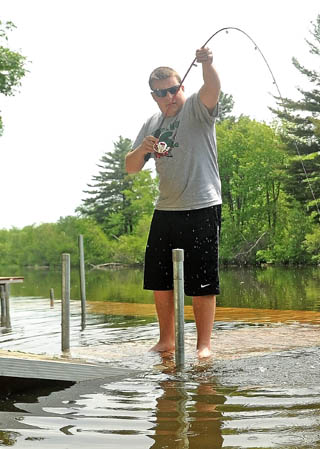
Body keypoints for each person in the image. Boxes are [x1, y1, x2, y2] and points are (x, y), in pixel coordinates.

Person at [125, 47, 221, 359]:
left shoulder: (196, 107)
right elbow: (130, 166)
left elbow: (212, 88)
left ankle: (203, 345)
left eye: (173, 89)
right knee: (159, 279)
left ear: (182, 87)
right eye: (161, 92)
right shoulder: (152, 123)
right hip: (165, 209)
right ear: (153, 95)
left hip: (202, 205)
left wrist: (207, 64)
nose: (168, 96)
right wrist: (142, 149)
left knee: (202, 280)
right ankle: (166, 339)